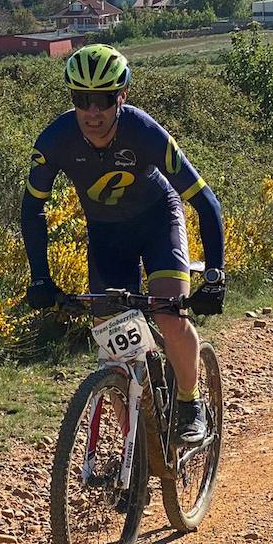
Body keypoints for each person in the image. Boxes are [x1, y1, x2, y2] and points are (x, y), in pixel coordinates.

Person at [22, 44, 226, 445]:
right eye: (82, 100)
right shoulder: (55, 140)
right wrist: (40, 278)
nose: (92, 112)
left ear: (122, 97)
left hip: (157, 222)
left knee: (169, 314)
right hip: (107, 234)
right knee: (111, 342)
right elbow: (32, 211)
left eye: (103, 100)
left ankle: (190, 401)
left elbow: (205, 202)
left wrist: (216, 277)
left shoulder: (144, 132)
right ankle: (140, 446)